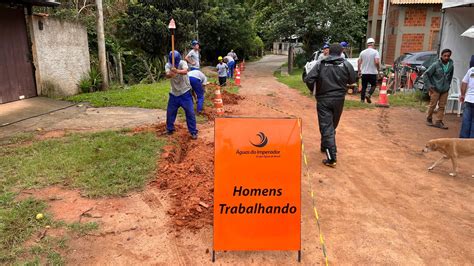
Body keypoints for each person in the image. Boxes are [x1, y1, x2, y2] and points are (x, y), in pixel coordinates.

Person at [304, 43, 356, 167]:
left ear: (328, 51)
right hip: (339, 99)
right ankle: (325, 146)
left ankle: (332, 158)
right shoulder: (346, 64)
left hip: (324, 99)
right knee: (331, 125)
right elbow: (352, 80)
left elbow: (309, 79)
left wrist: (314, 90)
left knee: (327, 127)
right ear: (340, 52)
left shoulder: (321, 64)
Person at [165, 51, 198, 139]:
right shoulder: (168, 65)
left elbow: (185, 71)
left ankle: (193, 132)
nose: (174, 64)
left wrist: (177, 71)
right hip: (174, 93)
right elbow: (167, 75)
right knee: (170, 112)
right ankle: (169, 129)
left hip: (185, 93)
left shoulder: (183, 63)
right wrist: (171, 73)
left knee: (190, 113)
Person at [424, 48, 454, 129]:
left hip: (445, 89)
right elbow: (426, 75)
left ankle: (439, 121)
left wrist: (448, 86)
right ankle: (429, 118)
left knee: (442, 106)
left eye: (448, 56)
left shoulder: (451, 66)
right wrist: (429, 86)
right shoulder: (435, 65)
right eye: (445, 56)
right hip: (435, 88)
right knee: (433, 105)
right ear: (441, 56)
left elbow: (450, 77)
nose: (446, 57)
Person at [357, 38, 380, 103]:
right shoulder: (375, 52)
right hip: (373, 72)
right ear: (373, 43)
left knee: (364, 86)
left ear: (367, 44)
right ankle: (369, 94)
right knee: (374, 85)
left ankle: (362, 100)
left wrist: (359, 71)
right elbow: (377, 62)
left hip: (364, 72)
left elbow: (359, 62)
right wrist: (378, 69)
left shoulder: (362, 52)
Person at [459, 56, 474, 138]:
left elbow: (464, 83)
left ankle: (463, 142)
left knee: (466, 121)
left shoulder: (471, 70)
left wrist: (462, 95)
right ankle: (471, 144)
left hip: (468, 100)